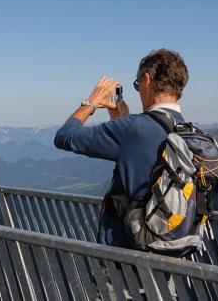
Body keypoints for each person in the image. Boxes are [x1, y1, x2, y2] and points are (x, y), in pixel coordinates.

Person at [54, 49, 189, 250]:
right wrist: (120, 123)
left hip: (126, 252)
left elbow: (65, 137)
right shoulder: (187, 132)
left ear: (147, 79)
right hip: (171, 247)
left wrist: (91, 102)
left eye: (138, 84)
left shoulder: (134, 128)